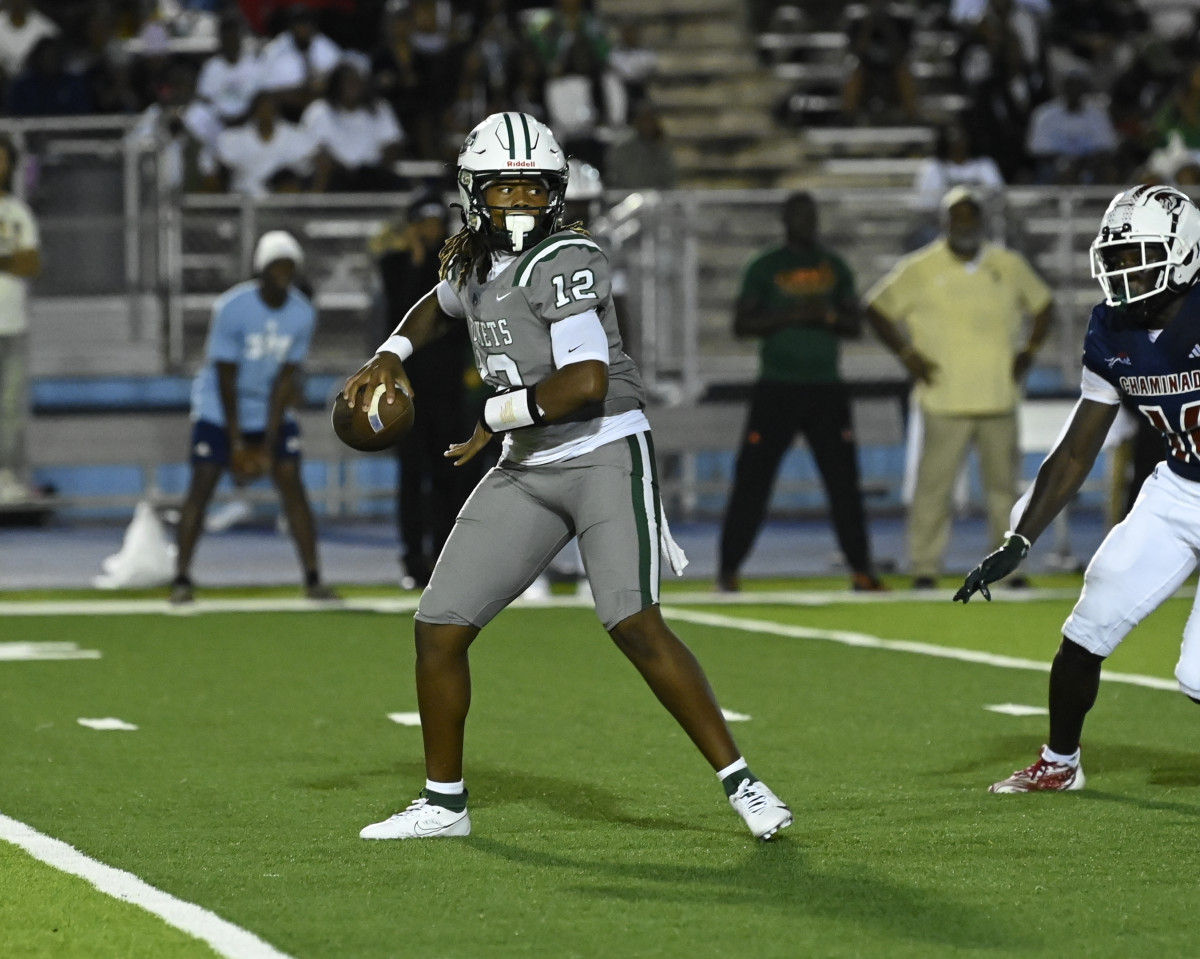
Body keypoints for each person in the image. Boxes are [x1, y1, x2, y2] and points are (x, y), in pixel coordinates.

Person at [344, 111, 791, 842]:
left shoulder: (564, 256)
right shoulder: (472, 263)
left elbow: (585, 381)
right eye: (504, 188)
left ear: (555, 192)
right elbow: (437, 305)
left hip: (601, 451)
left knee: (634, 624)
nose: (520, 201)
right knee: (439, 627)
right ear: (473, 192)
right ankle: (444, 803)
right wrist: (391, 351)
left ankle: (744, 784)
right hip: (528, 467)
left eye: (533, 187)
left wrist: (496, 413)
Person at [954, 184, 1200, 793]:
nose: (1124, 272)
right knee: (1090, 621)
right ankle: (1059, 763)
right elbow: (1074, 451)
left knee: (1197, 676)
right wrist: (1020, 538)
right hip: (1179, 487)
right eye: (1116, 259)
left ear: (1185, 253)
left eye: (1139, 256)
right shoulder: (1110, 329)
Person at [865, 186, 1054, 589]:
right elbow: (876, 307)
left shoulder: (1007, 263)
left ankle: (1008, 569)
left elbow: (1043, 304)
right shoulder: (921, 267)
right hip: (944, 397)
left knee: (1004, 491)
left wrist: (1030, 348)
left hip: (997, 395)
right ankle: (924, 567)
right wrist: (906, 353)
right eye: (957, 217)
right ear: (945, 222)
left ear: (981, 222)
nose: (964, 225)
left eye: (970, 217)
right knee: (933, 490)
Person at [716, 191, 886, 594]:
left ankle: (862, 570)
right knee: (753, 481)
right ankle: (728, 571)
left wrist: (825, 315)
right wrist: (793, 314)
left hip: (826, 388)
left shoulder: (835, 266)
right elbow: (743, 325)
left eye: (811, 216)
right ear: (785, 220)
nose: (806, 223)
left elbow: (853, 325)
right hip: (777, 387)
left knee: (843, 483)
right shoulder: (764, 266)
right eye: (798, 216)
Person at [170, 230, 334, 604]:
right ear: (260, 270)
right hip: (219, 405)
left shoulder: (302, 314)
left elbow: (285, 380)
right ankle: (181, 577)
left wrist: (269, 442)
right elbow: (225, 376)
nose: (283, 274)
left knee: (291, 479)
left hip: (267, 405)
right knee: (203, 480)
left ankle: (313, 578)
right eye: (276, 266)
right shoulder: (232, 307)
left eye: (289, 266)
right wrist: (238, 442)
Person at [368, 196, 472, 589]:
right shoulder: (395, 265)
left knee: (450, 477)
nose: (431, 230)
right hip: (407, 393)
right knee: (411, 478)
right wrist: (414, 260)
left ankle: (445, 557)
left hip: (448, 389)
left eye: (436, 222)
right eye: (424, 223)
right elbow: (399, 317)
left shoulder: (458, 266)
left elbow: (456, 322)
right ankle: (413, 561)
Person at [0, 135, 41, 504]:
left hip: (11, 323)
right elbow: (18, 259)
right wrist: (9, 260)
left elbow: (30, 263)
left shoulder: (17, 212)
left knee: (11, 407)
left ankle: (6, 475)